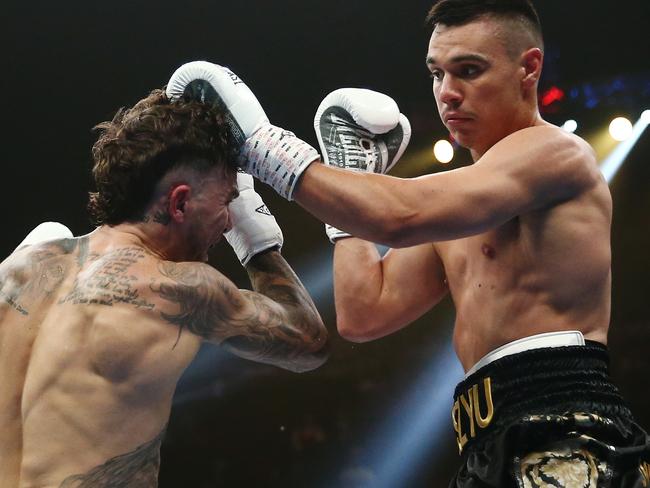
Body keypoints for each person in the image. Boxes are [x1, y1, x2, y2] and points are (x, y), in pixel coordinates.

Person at [166, 0, 650, 485]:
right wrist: (350, 173)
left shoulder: (557, 154)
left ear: (529, 68)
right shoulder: (458, 204)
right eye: (437, 74)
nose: (448, 93)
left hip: (568, 428)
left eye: (468, 71)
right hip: (485, 441)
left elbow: (398, 216)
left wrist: (264, 147)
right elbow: (363, 312)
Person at [0, 89, 328, 487]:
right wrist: (256, 240)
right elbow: (308, 343)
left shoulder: (18, 269)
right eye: (227, 200)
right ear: (179, 203)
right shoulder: (176, 288)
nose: (227, 222)